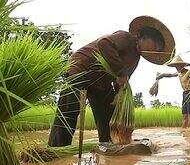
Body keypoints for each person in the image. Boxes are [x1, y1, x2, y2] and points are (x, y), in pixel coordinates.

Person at [48, 16, 175, 147]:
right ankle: (57, 149)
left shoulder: (135, 59)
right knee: (69, 111)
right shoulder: (126, 38)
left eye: (157, 50)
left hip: (101, 82)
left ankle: (108, 146)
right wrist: (121, 72)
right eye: (154, 45)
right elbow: (104, 44)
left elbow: (123, 80)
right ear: (141, 37)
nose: (154, 50)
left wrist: (118, 95)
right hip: (82, 68)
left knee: (108, 114)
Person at [155, 55, 190, 128]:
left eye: (177, 66)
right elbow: (170, 75)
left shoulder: (188, 72)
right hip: (185, 94)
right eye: (175, 66)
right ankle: (184, 132)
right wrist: (162, 75)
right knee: (185, 115)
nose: (176, 68)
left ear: (182, 65)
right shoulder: (178, 73)